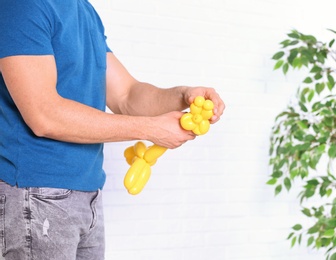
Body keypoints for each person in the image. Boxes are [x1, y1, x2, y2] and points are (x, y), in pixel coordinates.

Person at [0, 0, 225, 259]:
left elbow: (126, 95)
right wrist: (150, 129)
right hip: (36, 194)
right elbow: (44, 114)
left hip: (88, 193)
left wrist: (183, 95)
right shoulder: (23, 5)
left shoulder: (83, 10)